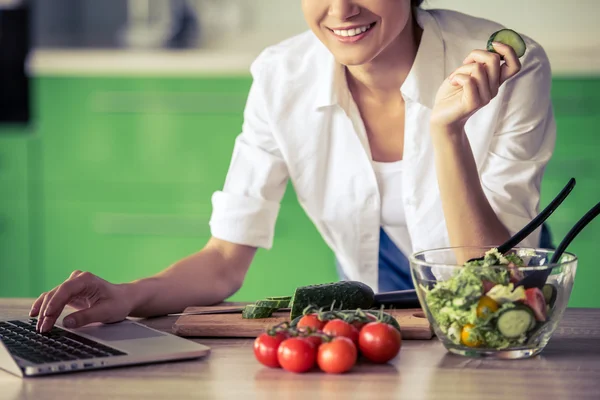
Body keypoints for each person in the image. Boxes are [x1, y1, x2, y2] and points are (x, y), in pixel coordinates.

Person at [30, 0, 556, 333]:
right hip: (378, 309)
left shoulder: (507, 65)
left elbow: (491, 281)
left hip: (501, 286)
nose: (341, 9)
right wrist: (130, 294)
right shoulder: (281, 76)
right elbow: (223, 261)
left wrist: (446, 131)